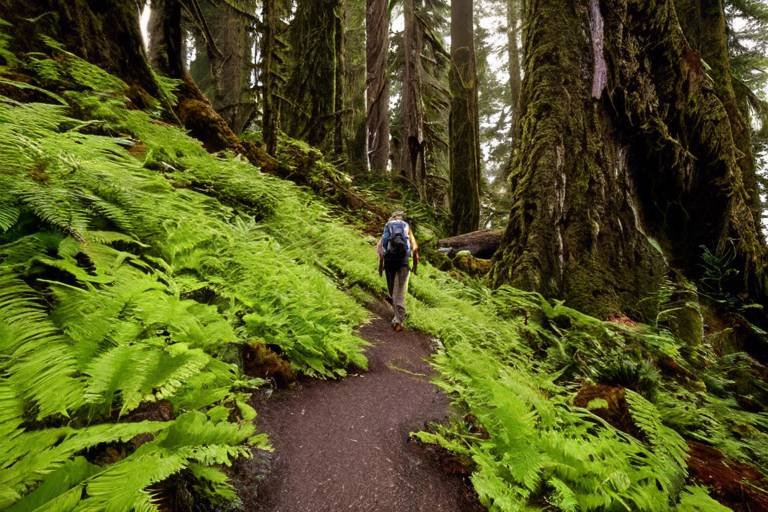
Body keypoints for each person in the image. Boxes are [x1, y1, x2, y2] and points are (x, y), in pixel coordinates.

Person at [377, 211, 419, 331]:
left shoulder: (388, 226)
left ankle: (398, 318)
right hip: (403, 263)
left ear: (392, 217)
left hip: (389, 262)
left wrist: (380, 266)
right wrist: (415, 265)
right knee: (399, 292)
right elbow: (415, 248)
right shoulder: (406, 228)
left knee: (392, 291)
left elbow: (380, 249)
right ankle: (399, 319)